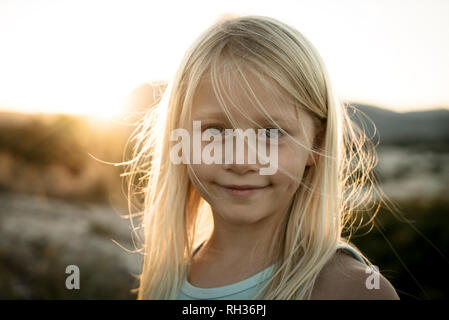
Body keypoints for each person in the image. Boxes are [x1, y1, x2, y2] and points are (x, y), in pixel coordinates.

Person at [123, 14, 399, 300]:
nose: (241, 161)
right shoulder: (164, 279)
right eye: (215, 131)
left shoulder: (353, 291)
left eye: (270, 132)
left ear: (316, 144)